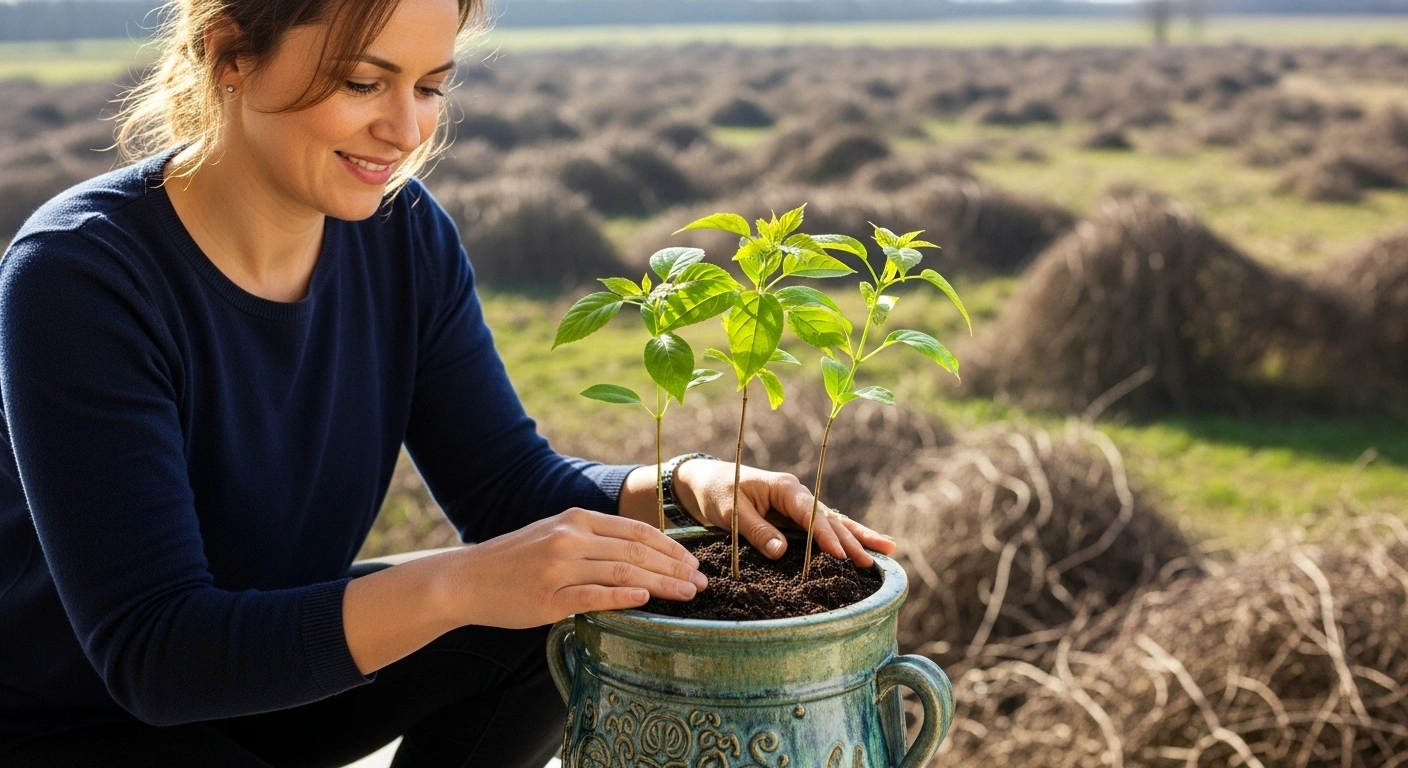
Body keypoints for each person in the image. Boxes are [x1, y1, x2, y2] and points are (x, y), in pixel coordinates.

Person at [0, 0, 899, 765]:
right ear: (230, 52)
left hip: (283, 676)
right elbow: (158, 655)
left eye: (430, 86)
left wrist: (682, 487)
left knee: (562, 600)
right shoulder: (81, 273)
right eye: (363, 83)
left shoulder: (401, 235)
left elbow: (510, 489)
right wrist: (458, 584)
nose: (407, 130)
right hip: (85, 720)